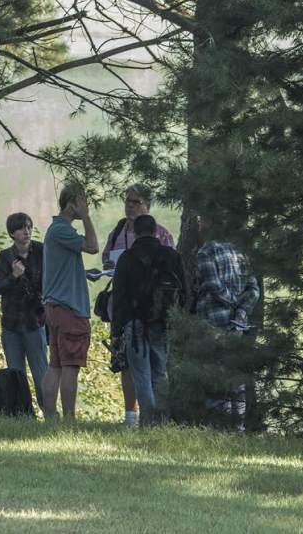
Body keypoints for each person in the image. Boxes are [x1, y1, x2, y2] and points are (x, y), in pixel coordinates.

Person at [102, 183, 175, 426]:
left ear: (147, 206)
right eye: (127, 201)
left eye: (135, 202)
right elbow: (106, 260)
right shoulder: (117, 232)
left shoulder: (162, 234)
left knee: (154, 367)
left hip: (153, 311)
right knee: (126, 364)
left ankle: (152, 418)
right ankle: (131, 415)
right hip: (125, 310)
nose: (129, 206)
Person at [111, 215, 184, 425]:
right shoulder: (171, 255)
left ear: (134, 231)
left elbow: (119, 297)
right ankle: (161, 422)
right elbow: (184, 289)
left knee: (141, 375)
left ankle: (149, 421)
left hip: (135, 323)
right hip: (163, 321)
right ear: (155, 231)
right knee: (160, 374)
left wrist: (116, 331)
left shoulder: (127, 257)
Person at [195, 217, 260, 430]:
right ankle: (238, 426)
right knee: (235, 376)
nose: (198, 223)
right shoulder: (240, 253)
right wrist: (241, 312)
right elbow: (253, 289)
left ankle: (219, 425)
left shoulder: (205, 252)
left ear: (208, 225)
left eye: (201, 220)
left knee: (214, 373)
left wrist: (231, 305)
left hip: (213, 320)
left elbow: (213, 286)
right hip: (238, 324)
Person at [41, 183, 99, 419]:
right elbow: (93, 247)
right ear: (71, 203)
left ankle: (51, 417)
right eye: (82, 202)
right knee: (70, 366)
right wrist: (86, 217)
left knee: (55, 364)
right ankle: (69, 418)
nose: (85, 206)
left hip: (55, 306)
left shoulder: (57, 231)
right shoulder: (62, 230)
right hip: (69, 308)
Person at [0, 212, 48, 410]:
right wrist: (13, 276)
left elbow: (51, 282)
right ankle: (22, 415)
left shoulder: (41, 251)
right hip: (12, 326)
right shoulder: (5, 257)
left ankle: (50, 415)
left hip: (35, 322)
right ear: (12, 233)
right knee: (16, 376)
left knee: (42, 375)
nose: (27, 232)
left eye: (29, 227)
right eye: (21, 228)